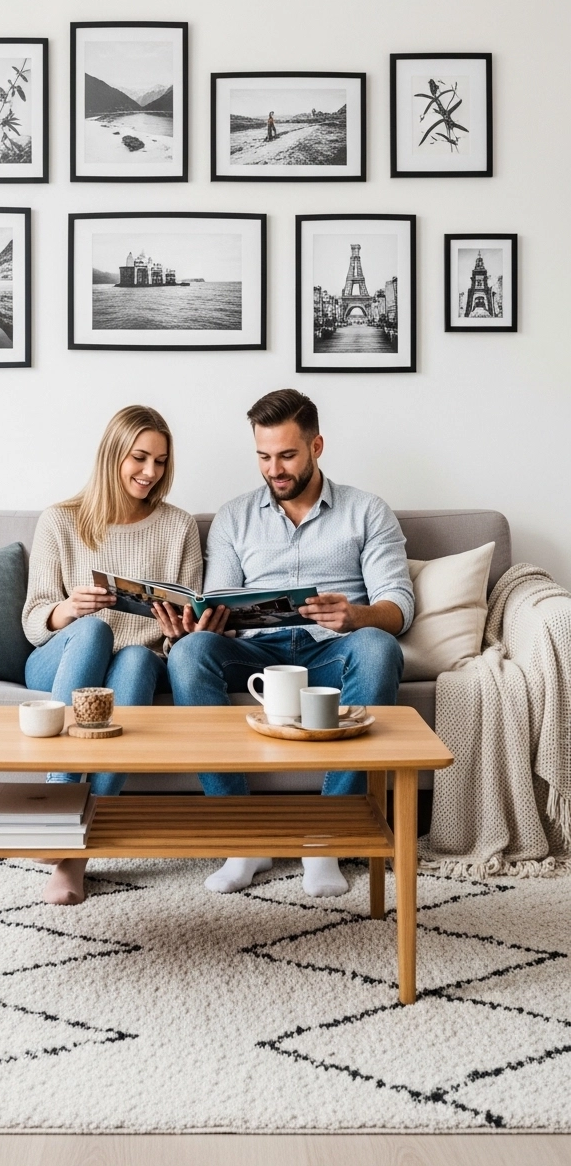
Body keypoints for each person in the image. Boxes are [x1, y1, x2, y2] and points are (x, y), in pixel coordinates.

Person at [163, 388, 414, 899]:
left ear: (317, 446)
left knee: (379, 647)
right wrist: (203, 623)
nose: (274, 470)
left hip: (332, 649)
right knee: (188, 653)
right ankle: (244, 838)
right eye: (263, 456)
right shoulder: (234, 517)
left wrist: (356, 615)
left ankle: (325, 837)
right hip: (257, 651)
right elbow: (220, 600)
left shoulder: (367, 511)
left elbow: (399, 605)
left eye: (287, 456)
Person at [22, 404, 222, 906]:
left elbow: (183, 632)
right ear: (113, 454)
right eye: (139, 458)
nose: (150, 472)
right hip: (62, 657)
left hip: (138, 660)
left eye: (161, 461)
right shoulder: (60, 520)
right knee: (93, 632)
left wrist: (178, 633)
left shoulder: (178, 527)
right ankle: (57, 802)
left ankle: (74, 858)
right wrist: (68, 609)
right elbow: (32, 621)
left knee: (134, 659)